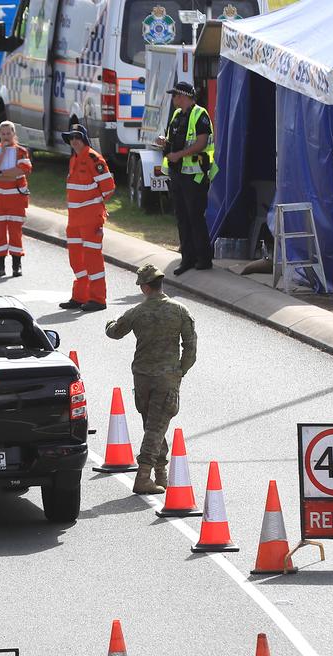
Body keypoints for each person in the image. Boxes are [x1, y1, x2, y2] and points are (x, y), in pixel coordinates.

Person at [104, 264, 197, 494]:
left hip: (143, 378)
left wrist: (110, 321)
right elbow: (191, 348)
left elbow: (114, 332)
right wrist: (180, 371)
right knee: (156, 427)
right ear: (160, 284)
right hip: (166, 379)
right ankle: (144, 476)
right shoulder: (179, 310)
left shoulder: (136, 312)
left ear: (145, 287)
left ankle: (160, 474)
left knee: (153, 425)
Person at [156, 81, 218, 275]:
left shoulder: (200, 115)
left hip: (195, 176)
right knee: (182, 217)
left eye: (175, 95)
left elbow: (200, 144)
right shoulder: (176, 116)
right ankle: (187, 259)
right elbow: (174, 141)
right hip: (178, 174)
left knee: (195, 216)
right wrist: (164, 143)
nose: (173, 99)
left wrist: (179, 155)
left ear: (182, 96)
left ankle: (203, 259)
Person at [58, 123, 114, 312]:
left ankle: (98, 299)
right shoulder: (74, 158)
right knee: (76, 259)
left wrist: (95, 207)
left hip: (90, 218)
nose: (74, 141)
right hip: (74, 219)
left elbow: (108, 187)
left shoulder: (93, 158)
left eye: (77, 137)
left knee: (92, 259)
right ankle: (80, 296)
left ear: (84, 139)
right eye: (71, 138)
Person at [0, 120, 33, 278]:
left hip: (16, 199)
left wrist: (0, 174)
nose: (6, 136)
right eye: (3, 133)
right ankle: (0, 266)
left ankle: (16, 265)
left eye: (9, 133)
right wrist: (3, 154)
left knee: (15, 232)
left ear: (14, 134)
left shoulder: (21, 151)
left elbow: (24, 169)